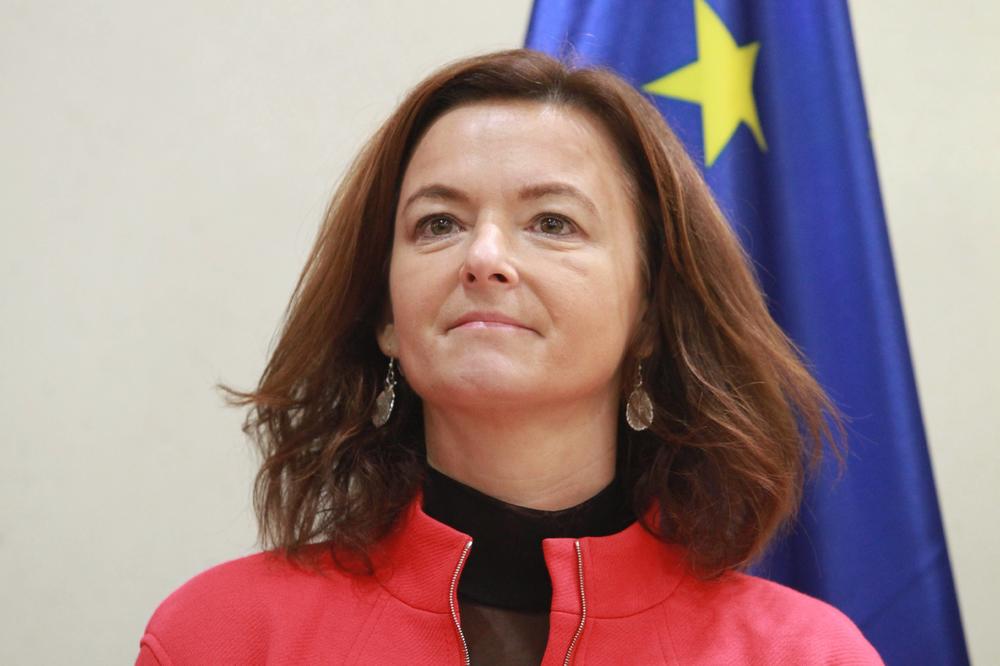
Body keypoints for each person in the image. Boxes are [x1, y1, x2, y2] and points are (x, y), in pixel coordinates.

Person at [135, 49, 883, 665]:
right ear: (385, 315)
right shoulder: (220, 637)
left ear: (650, 317)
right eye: (438, 223)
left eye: (552, 222)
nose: (484, 257)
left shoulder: (806, 656)